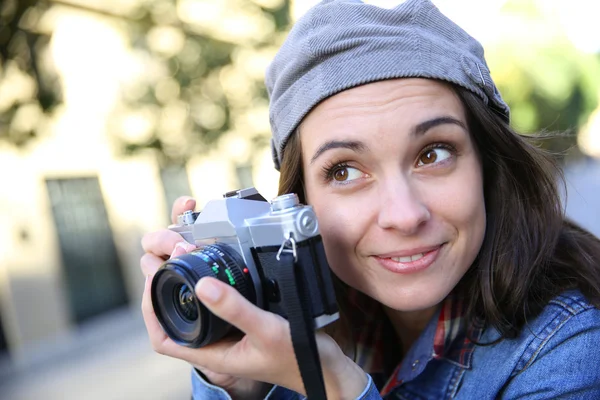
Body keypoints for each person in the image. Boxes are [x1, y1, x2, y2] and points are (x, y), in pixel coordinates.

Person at [140, 0, 600, 398]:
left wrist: (336, 386)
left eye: (433, 154)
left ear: (487, 164)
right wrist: (235, 381)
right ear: (301, 205)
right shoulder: (301, 320)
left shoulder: (571, 350)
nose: (404, 215)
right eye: (344, 171)